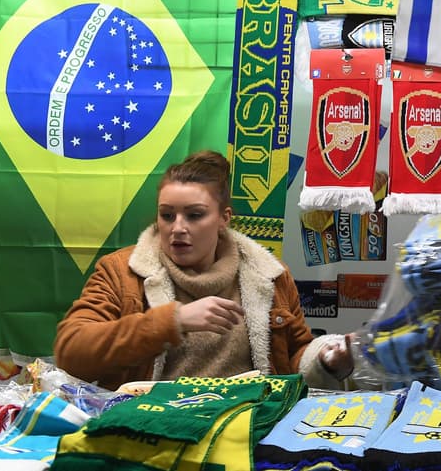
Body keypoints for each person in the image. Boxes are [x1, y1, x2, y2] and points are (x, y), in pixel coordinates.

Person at [54, 150, 354, 390]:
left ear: (224, 218)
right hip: (149, 426)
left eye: (194, 215)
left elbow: (293, 356)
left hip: (246, 424)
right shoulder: (122, 272)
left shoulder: (269, 275)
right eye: (167, 215)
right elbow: (71, 351)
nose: (177, 228)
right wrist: (174, 320)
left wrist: (326, 359)